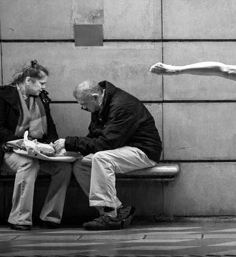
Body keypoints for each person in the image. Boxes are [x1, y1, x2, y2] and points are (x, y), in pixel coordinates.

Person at [0, 60, 71, 230]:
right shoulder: (1, 96)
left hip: (36, 149)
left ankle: (50, 217)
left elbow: (50, 127)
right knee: (28, 164)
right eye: (41, 83)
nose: (43, 87)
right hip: (5, 149)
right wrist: (21, 143)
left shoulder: (41, 98)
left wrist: (52, 145)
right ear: (28, 81)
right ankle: (20, 218)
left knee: (63, 168)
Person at [53, 80, 162, 230]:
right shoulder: (100, 105)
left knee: (101, 158)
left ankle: (111, 216)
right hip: (121, 148)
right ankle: (117, 210)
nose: (83, 107)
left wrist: (70, 142)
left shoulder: (122, 105)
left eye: (84, 104)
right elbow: (95, 137)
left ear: (96, 96)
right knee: (81, 164)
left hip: (143, 151)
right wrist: (72, 149)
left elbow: (105, 144)